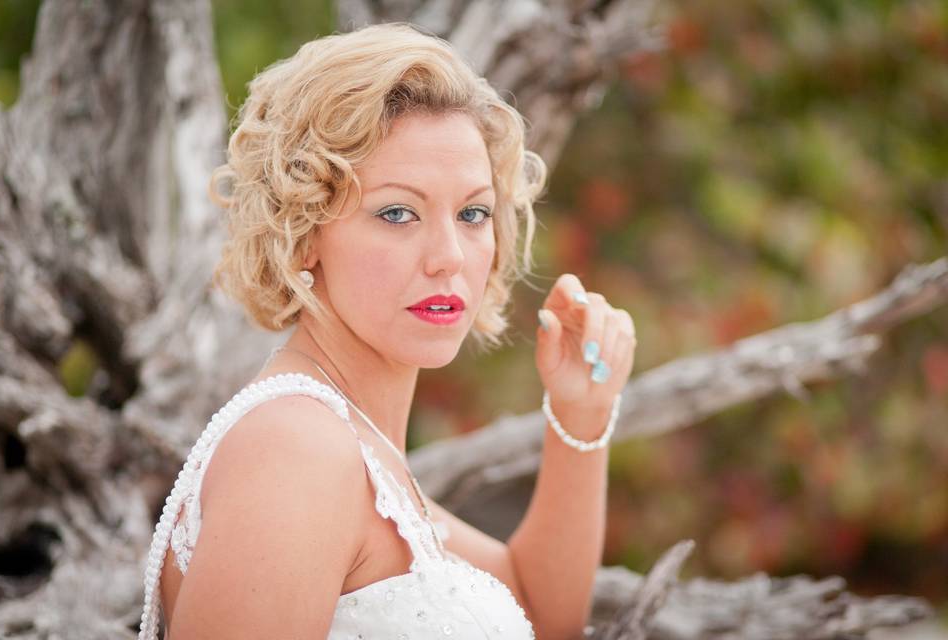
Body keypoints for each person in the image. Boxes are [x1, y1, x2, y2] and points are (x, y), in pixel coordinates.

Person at [137, 21, 636, 640]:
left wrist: (581, 413)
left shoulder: (356, 446)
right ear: (305, 232)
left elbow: (540, 611)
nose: (449, 255)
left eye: (473, 213)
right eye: (398, 213)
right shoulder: (296, 450)